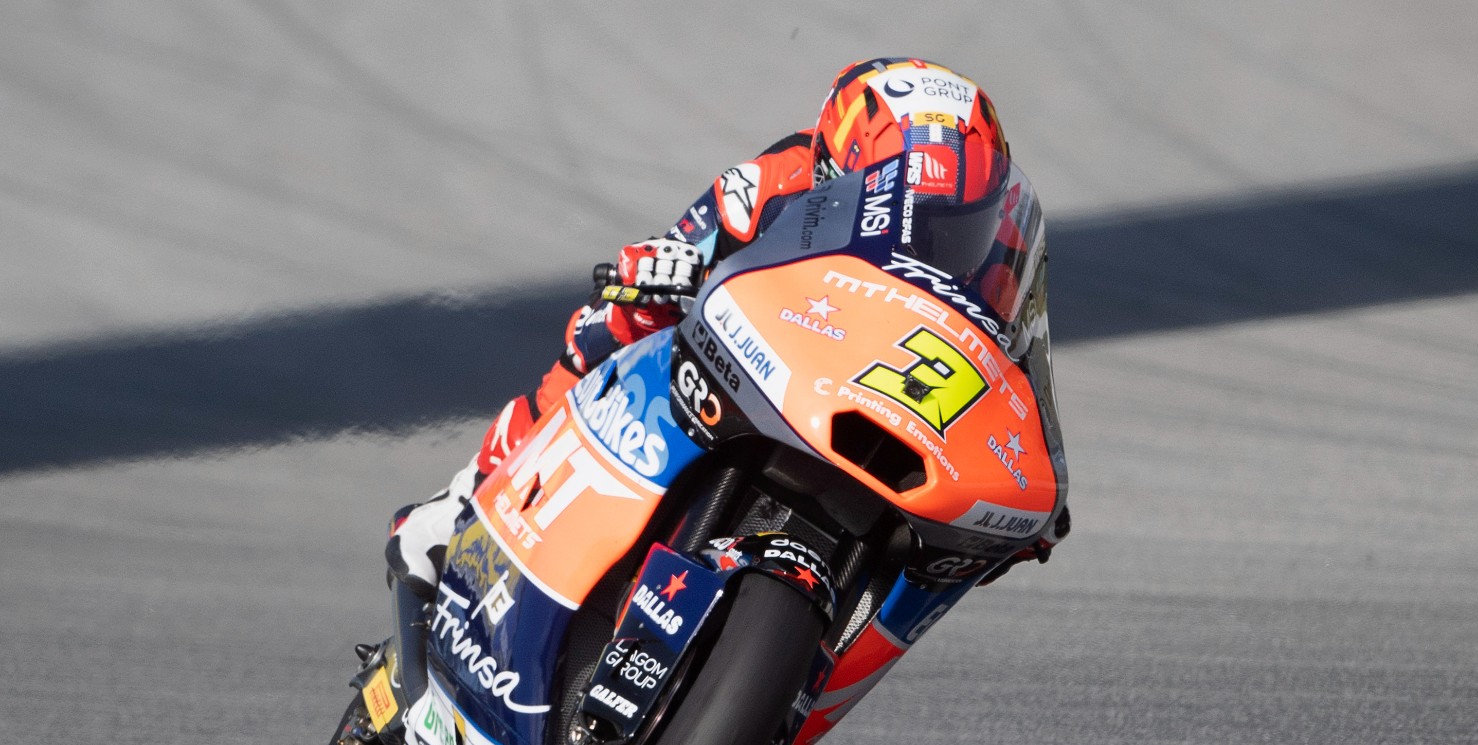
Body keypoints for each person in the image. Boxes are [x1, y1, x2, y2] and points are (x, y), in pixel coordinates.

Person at [387, 57, 1057, 595]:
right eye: (905, 204)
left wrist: (1035, 481)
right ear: (838, 172)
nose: (931, 235)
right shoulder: (772, 180)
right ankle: (474, 490)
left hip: (891, 398)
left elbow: (1019, 361)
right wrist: (657, 269)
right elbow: (675, 251)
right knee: (611, 326)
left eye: (954, 221)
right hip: (776, 361)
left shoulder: (1002, 249)